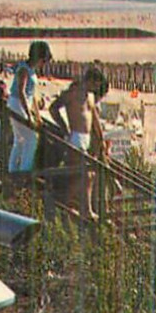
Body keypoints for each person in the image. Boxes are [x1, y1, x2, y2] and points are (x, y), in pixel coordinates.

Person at [49, 66, 104, 218]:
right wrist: (64, 127)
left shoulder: (91, 96)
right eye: (95, 84)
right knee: (87, 174)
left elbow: (94, 120)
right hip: (76, 136)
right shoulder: (73, 93)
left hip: (86, 138)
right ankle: (85, 209)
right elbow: (53, 108)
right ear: (90, 80)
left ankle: (70, 203)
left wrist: (100, 138)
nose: (96, 88)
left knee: (83, 174)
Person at [8, 40, 51, 173]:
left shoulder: (31, 70)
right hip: (17, 103)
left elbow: (33, 97)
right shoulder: (24, 69)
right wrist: (28, 115)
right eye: (43, 61)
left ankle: (13, 170)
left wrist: (37, 116)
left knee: (20, 140)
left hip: (22, 103)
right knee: (31, 138)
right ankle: (24, 171)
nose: (43, 64)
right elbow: (21, 92)